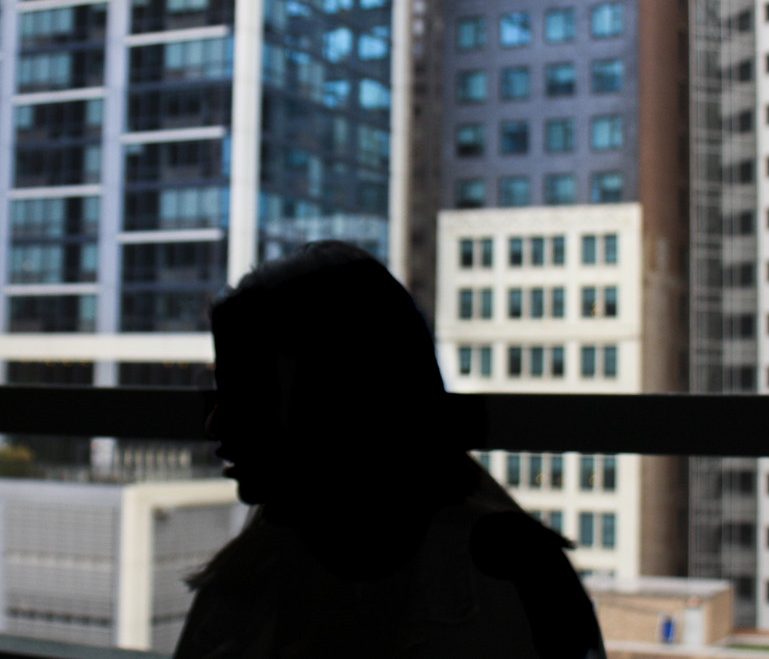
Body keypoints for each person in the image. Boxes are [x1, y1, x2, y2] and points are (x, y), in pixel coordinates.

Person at [174, 240, 606, 659]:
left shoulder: (240, 586)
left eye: (248, 393)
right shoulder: (519, 579)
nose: (216, 422)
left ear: (337, 397)